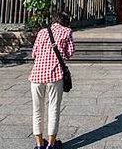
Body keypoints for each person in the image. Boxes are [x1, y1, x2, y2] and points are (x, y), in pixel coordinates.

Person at [29, 13, 75, 149]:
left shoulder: (42, 32)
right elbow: (70, 52)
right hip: (55, 75)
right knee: (53, 108)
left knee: (37, 110)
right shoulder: (67, 31)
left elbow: (34, 53)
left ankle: (39, 144)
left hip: (37, 75)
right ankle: (51, 143)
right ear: (65, 22)